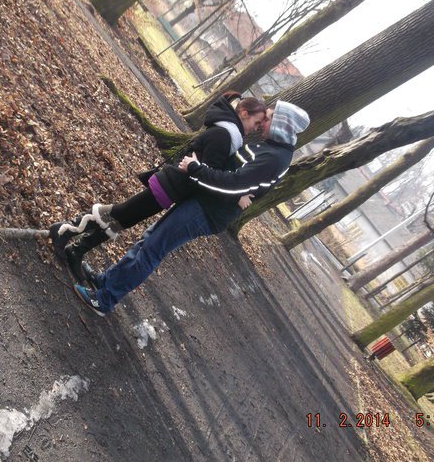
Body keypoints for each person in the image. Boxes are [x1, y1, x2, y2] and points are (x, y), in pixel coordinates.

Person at [71, 100, 310, 316]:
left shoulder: (275, 157)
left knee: (153, 248)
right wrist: (236, 189)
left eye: (268, 118)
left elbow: (234, 183)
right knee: (150, 239)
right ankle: (107, 280)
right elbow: (236, 175)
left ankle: (106, 299)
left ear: (281, 125)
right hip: (204, 201)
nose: (262, 123)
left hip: (208, 211)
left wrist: (197, 169)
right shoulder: (270, 147)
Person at [50, 93, 267, 282]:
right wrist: (234, 195)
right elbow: (209, 177)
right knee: (121, 213)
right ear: (244, 113)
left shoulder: (229, 136)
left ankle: (78, 249)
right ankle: (64, 230)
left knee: (124, 220)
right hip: (170, 185)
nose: (256, 128)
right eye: (257, 122)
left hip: (174, 188)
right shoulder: (224, 136)